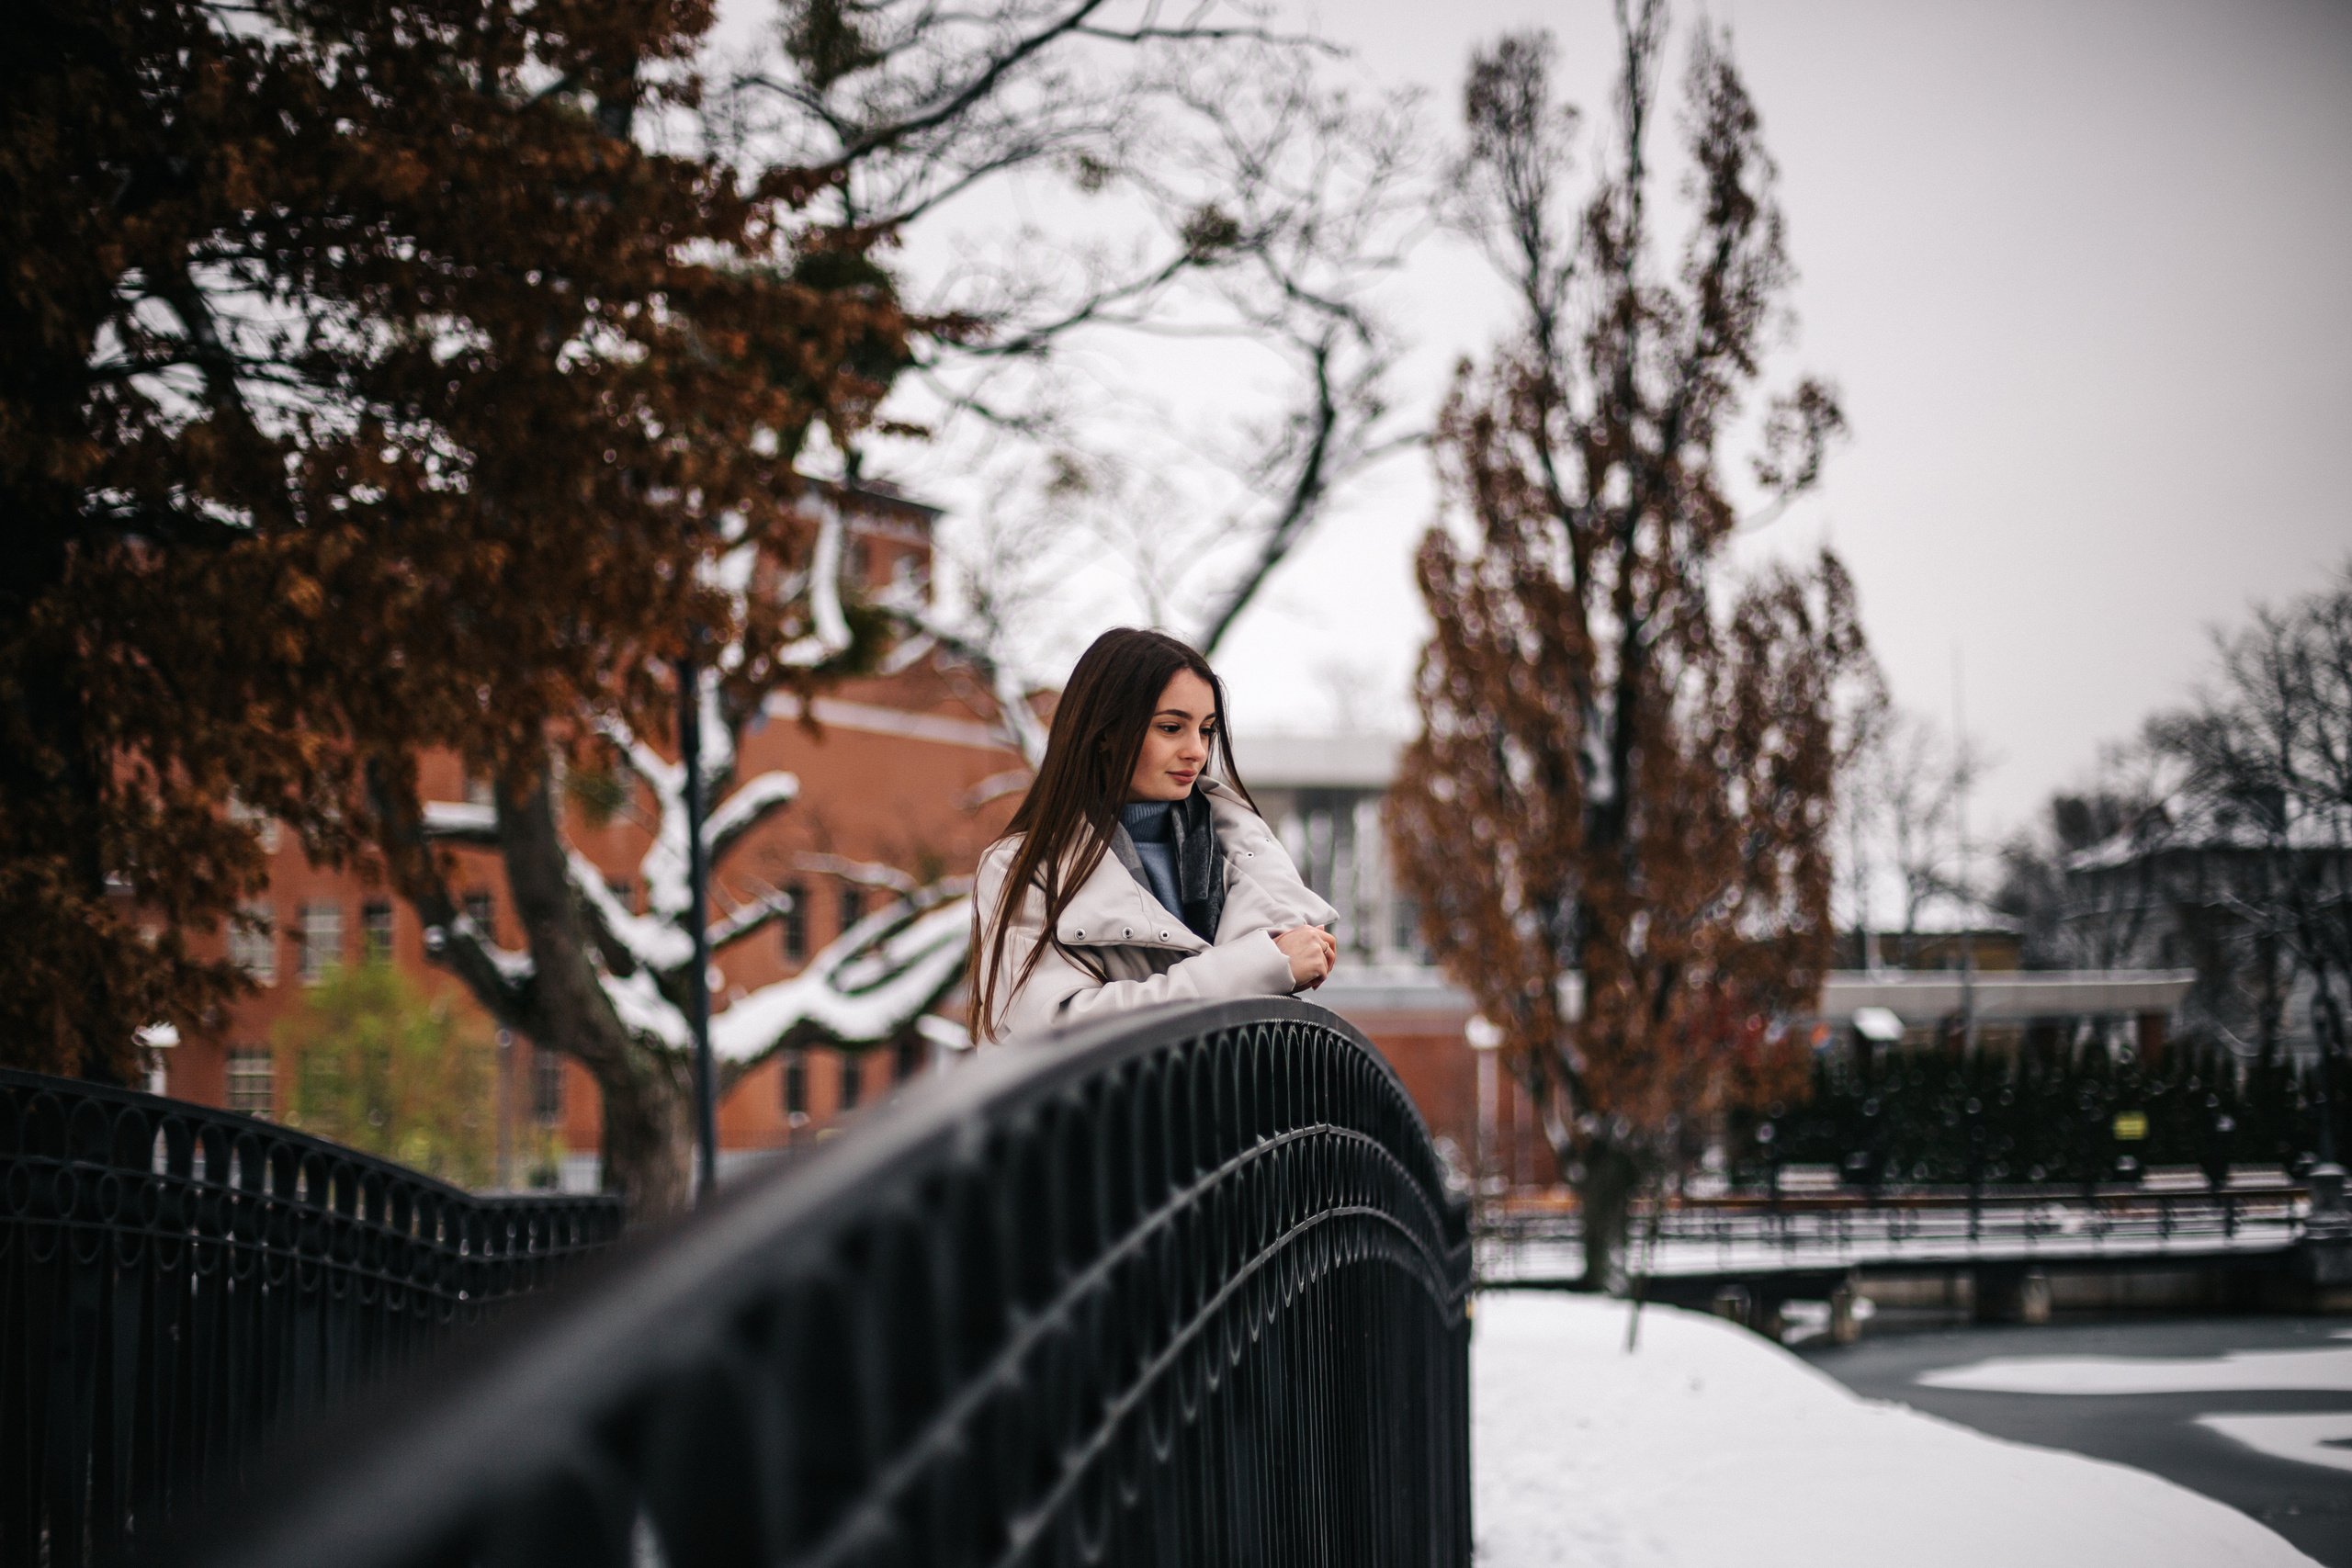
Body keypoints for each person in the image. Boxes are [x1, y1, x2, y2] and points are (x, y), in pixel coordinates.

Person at [971, 627, 1339, 1043]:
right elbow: (1058, 1028)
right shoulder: (1022, 868)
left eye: (1206, 730)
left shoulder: (1242, 854)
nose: (1197, 750)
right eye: (1171, 727)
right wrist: (1261, 965)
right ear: (1106, 732)